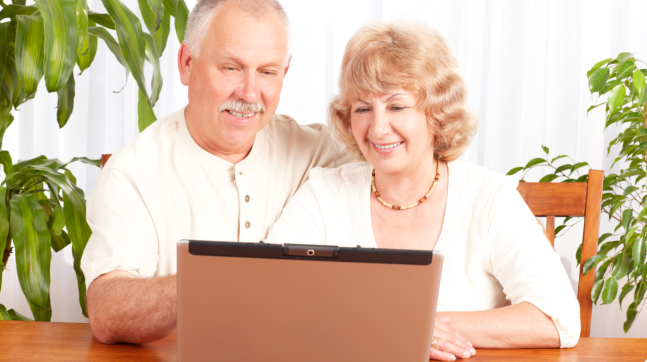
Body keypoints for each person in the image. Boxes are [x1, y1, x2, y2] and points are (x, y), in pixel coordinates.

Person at [266, 21, 581, 361]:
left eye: (397, 106)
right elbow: (267, 297)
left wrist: (425, 325)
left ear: (437, 112)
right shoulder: (325, 194)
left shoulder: (489, 198)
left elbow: (557, 319)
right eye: (362, 108)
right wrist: (395, 326)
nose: (378, 127)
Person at [81, 0, 354, 344]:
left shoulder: (319, 151)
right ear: (187, 64)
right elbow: (107, 311)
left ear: (284, 75)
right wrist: (228, 280)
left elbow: (405, 176)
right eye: (231, 67)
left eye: (267, 72)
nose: (250, 93)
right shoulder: (132, 172)